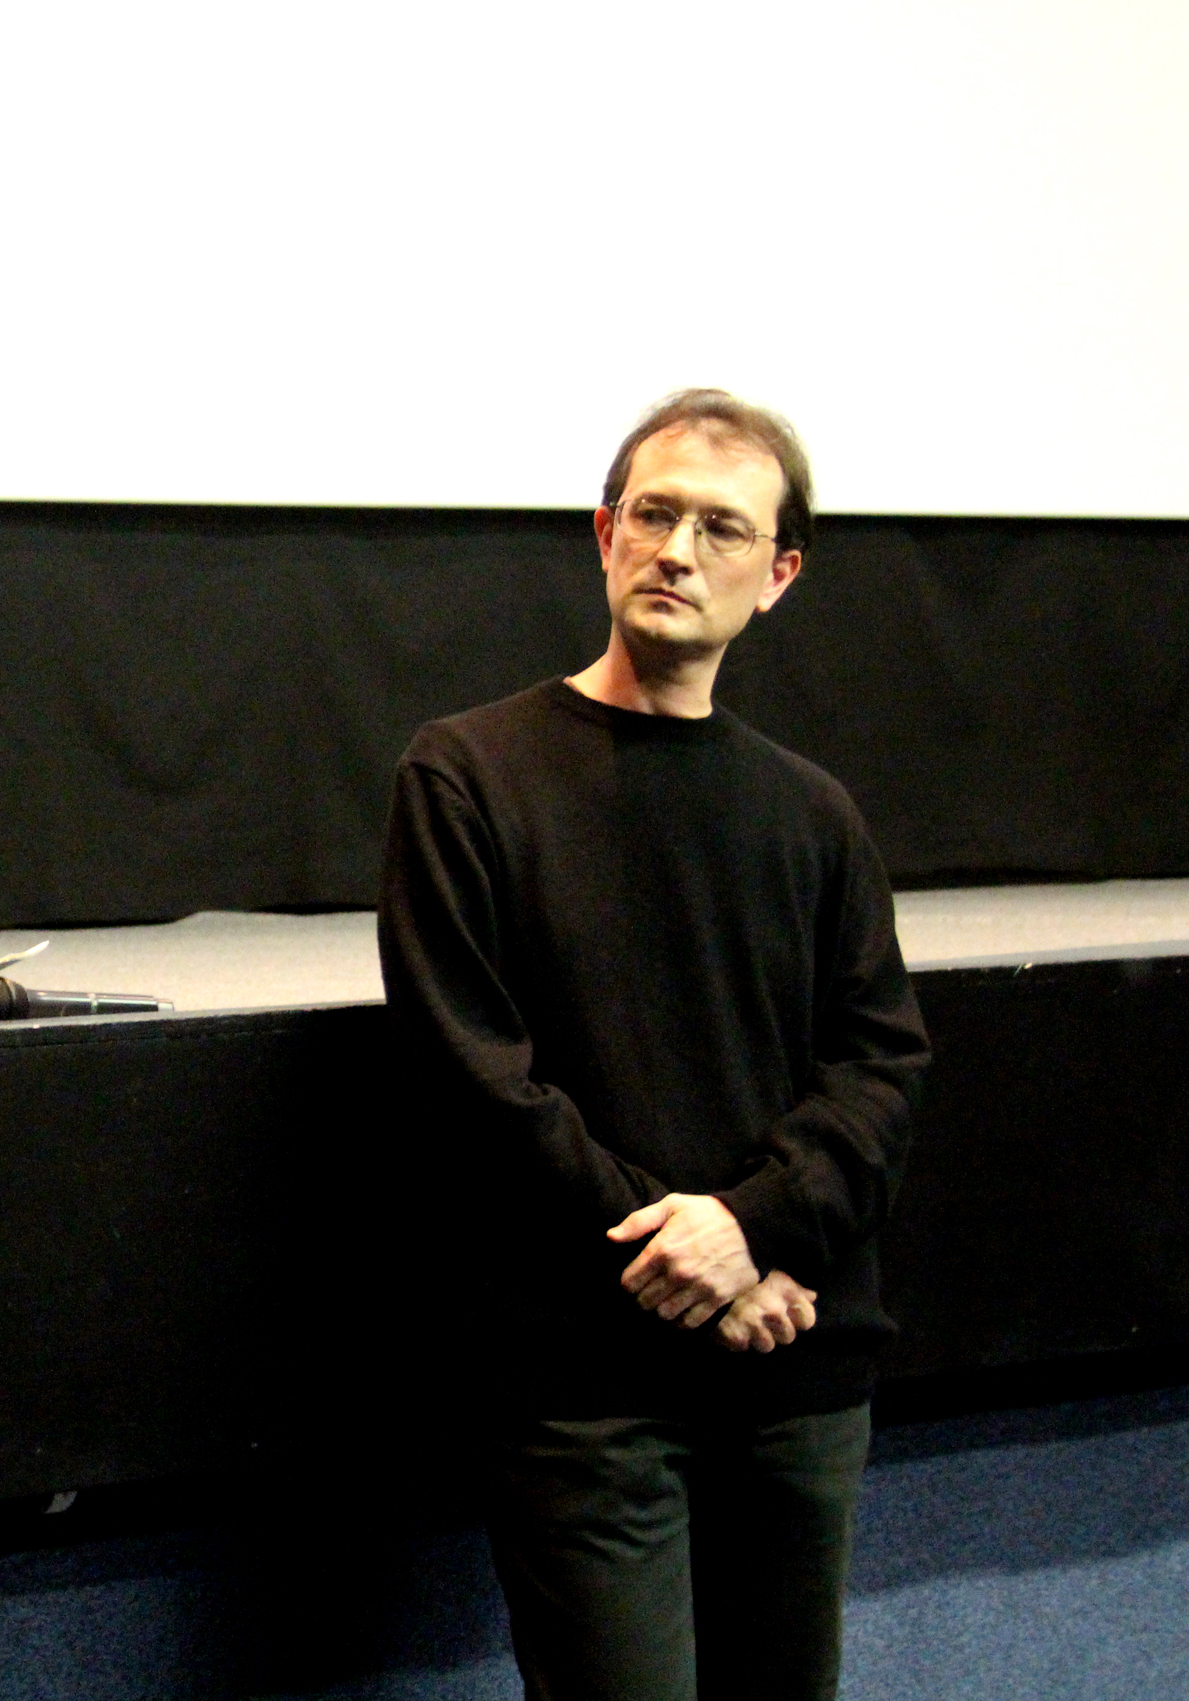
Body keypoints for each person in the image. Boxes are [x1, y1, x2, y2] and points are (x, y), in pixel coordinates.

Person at [376, 391, 931, 1701]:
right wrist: (706, 1260)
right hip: (590, 1391)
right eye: (653, 514)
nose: (676, 550)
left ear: (776, 574)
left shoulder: (812, 814)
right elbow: (477, 1083)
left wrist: (751, 1228)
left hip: (791, 1374)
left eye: (719, 527)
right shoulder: (465, 775)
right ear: (603, 533)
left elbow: (877, 1071)